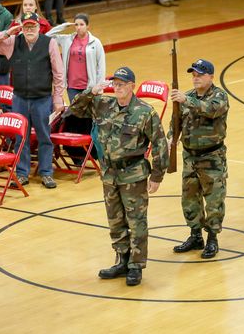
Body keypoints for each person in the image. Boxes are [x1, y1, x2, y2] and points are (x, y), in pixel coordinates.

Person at [69, 67, 169, 286]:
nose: (117, 87)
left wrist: (157, 176)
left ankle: (136, 265)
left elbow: (161, 144)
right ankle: (121, 259)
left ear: (132, 86)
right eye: (115, 83)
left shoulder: (144, 112)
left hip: (133, 174)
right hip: (109, 173)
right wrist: (91, 92)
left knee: (137, 221)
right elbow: (75, 109)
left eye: (122, 84)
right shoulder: (103, 104)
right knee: (115, 219)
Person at [0, 12, 65, 189]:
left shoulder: (49, 43)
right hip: (19, 98)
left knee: (44, 136)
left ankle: (46, 173)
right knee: (21, 138)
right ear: (22, 27)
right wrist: (7, 33)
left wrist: (58, 98)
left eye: (32, 26)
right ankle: (22, 174)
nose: (29, 30)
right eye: (26, 26)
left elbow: (59, 73)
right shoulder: (13, 42)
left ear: (38, 27)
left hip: (42, 99)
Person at [169, 59, 229, 259]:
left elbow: (210, 110)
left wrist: (185, 101)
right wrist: (172, 137)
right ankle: (195, 235)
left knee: (214, 200)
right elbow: (176, 120)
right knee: (189, 199)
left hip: (212, 156)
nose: (195, 78)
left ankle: (212, 238)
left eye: (200, 74)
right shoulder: (186, 96)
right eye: (193, 75)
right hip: (190, 156)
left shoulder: (219, 96)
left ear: (211, 76)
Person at [49, 13, 106, 163]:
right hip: (72, 86)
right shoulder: (67, 39)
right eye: (76, 24)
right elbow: (48, 36)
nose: (79, 27)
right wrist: (62, 26)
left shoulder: (95, 42)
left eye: (81, 24)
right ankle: (79, 154)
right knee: (77, 118)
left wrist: (99, 86)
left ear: (88, 26)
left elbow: (101, 65)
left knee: (89, 120)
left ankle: (94, 153)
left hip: (90, 87)